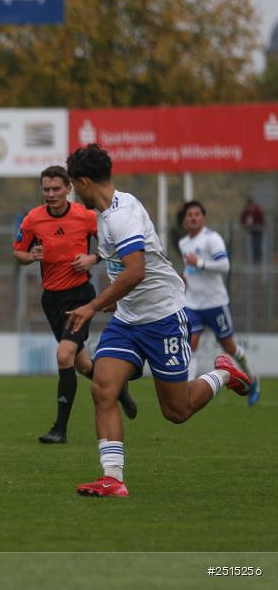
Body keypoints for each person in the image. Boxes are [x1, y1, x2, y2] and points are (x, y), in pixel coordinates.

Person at [64, 144, 251, 498]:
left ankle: (224, 372)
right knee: (103, 388)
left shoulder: (122, 215)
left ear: (84, 181)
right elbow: (127, 269)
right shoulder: (108, 214)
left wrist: (92, 305)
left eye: (74, 185)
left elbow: (136, 271)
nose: (74, 193)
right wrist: (114, 301)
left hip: (164, 318)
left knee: (176, 411)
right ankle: (113, 478)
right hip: (128, 320)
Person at [12, 166, 136, 444]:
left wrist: (92, 259)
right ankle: (119, 390)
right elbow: (17, 253)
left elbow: (113, 244)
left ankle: (60, 430)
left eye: (56, 189)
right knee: (80, 363)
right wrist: (30, 256)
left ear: (69, 188)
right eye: (46, 189)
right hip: (51, 299)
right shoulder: (33, 219)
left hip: (80, 295)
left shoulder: (86, 216)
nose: (51, 194)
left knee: (63, 355)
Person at [179, 200, 259, 405]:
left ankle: (252, 378)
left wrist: (200, 263)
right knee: (190, 346)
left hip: (215, 303)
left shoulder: (212, 238)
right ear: (185, 220)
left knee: (229, 347)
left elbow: (224, 265)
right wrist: (185, 276)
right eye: (189, 215)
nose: (193, 217)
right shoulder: (184, 243)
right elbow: (190, 269)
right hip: (193, 304)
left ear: (203, 218)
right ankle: (188, 389)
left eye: (197, 214)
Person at [239, 197, 265, 265]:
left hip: (258, 231)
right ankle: (251, 260)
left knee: (257, 245)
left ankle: (257, 260)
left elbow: (261, 220)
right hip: (250, 231)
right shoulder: (246, 211)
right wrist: (246, 224)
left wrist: (256, 225)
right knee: (251, 245)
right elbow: (243, 219)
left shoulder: (257, 210)